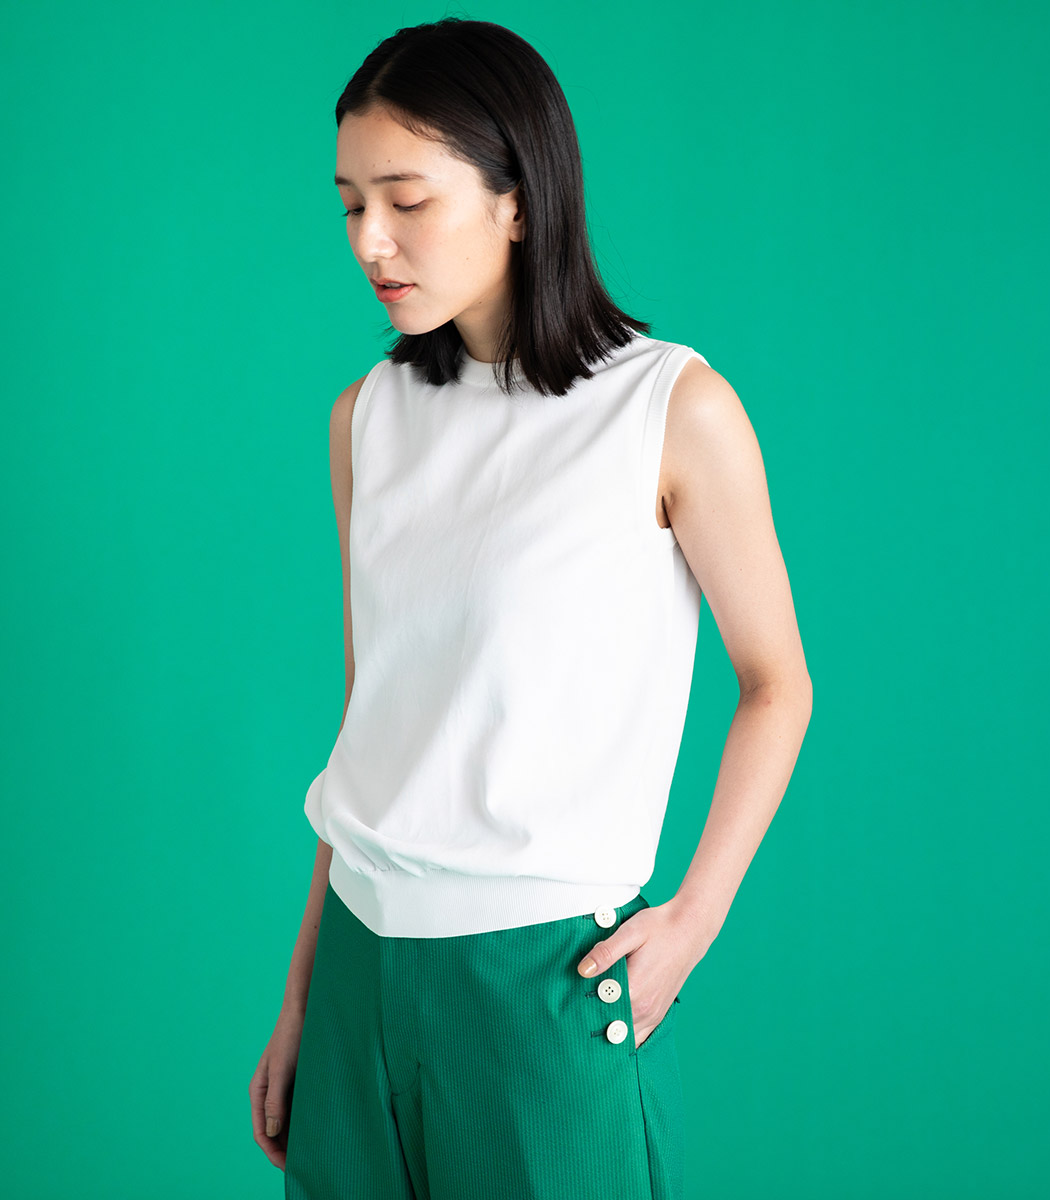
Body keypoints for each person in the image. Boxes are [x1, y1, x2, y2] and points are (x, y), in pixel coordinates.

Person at [250, 16, 812, 1200]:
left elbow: (778, 684)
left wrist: (694, 920)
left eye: (408, 200)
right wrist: (303, 997)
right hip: (356, 967)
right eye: (350, 204)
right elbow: (370, 721)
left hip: (543, 976)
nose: (371, 240)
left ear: (517, 199)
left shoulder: (670, 408)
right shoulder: (367, 418)